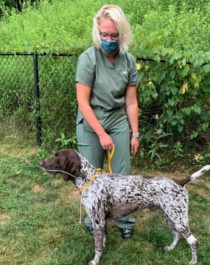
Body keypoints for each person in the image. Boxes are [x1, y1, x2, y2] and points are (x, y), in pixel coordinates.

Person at [75, 4, 139, 238]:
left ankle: (125, 222)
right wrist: (101, 134)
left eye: (113, 35)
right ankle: (94, 220)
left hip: (117, 119)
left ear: (121, 34)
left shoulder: (128, 61)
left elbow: (131, 102)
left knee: (122, 175)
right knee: (92, 175)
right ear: (97, 33)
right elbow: (82, 102)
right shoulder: (87, 59)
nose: (109, 39)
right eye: (104, 34)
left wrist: (135, 133)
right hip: (92, 121)